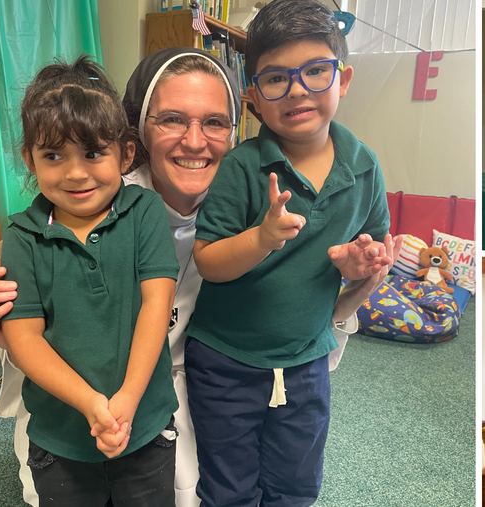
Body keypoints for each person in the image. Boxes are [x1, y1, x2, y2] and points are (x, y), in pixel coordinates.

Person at [0, 46, 399, 507]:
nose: (195, 142)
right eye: (172, 119)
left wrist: (358, 290)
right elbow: (28, 331)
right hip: (85, 395)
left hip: (207, 385)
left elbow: (299, 333)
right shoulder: (91, 199)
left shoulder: (265, 208)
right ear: (137, 133)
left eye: (215, 123)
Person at [184, 1, 391, 505]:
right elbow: (208, 261)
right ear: (253, 96)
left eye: (316, 72)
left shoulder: (364, 167)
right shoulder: (242, 166)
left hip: (306, 364)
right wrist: (261, 237)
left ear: (342, 80)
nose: (298, 89)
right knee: (229, 486)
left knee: (297, 484)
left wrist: (361, 263)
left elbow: (374, 249)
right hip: (225, 361)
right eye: (276, 78)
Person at [0, 56, 181, 505]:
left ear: (125, 153)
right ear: (29, 159)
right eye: (53, 155)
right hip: (61, 443)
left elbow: (157, 307)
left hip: (146, 430)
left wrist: (128, 401)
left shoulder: (145, 212)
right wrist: (91, 405)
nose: (75, 172)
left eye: (94, 152)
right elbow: (24, 338)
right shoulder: (21, 235)